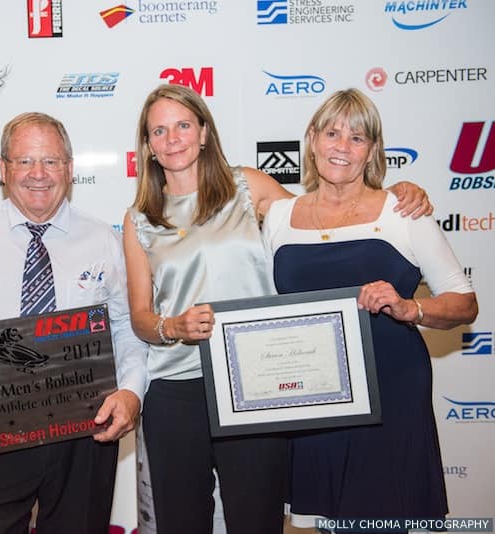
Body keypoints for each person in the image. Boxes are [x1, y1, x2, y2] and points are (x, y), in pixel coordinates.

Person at [122, 83, 432, 534]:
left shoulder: (247, 186)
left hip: (257, 384)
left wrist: (389, 195)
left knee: (258, 520)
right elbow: (140, 317)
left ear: (204, 132)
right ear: (148, 146)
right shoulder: (139, 218)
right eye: (159, 131)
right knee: (180, 523)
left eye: (183, 125)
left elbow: (329, 221)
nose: (173, 139)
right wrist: (173, 326)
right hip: (176, 389)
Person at [263, 88, 477, 530]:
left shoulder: (403, 212)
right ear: (312, 139)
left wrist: (410, 308)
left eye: (357, 137)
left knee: (387, 514)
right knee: (321, 521)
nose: (342, 146)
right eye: (332, 133)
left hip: (391, 392)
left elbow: (464, 303)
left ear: (372, 150)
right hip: (314, 398)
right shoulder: (280, 216)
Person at [0, 111, 147, 534]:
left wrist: (131, 392)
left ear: (69, 169)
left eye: (50, 161)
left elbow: (126, 327)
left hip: (86, 425)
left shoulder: (103, 239)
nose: (38, 173)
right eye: (24, 161)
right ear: (3, 169)